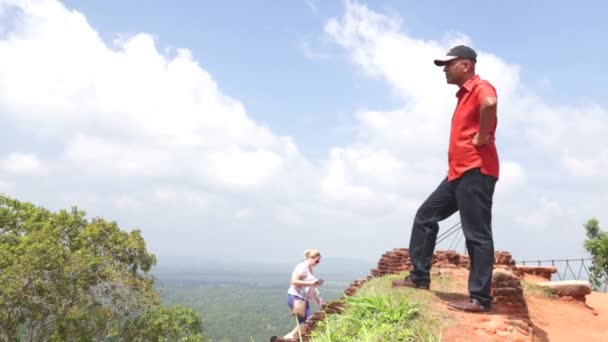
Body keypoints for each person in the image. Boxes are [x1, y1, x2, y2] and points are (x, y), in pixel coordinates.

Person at [392, 45, 499, 313]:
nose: (444, 70)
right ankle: (419, 278)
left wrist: (483, 136)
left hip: (476, 171)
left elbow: (490, 103)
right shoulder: (463, 96)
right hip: (457, 173)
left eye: (448, 64)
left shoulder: (480, 87)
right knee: (425, 216)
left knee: (477, 235)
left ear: (466, 65)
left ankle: (480, 299)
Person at [281, 249, 324, 340]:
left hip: (303, 299)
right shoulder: (302, 267)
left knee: (305, 322)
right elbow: (294, 281)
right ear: (310, 258)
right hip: (296, 298)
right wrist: (312, 283)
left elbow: (311, 286)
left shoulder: (310, 269)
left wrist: (318, 297)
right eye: (317, 261)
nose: (317, 263)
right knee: (309, 320)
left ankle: (287, 338)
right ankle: (289, 338)